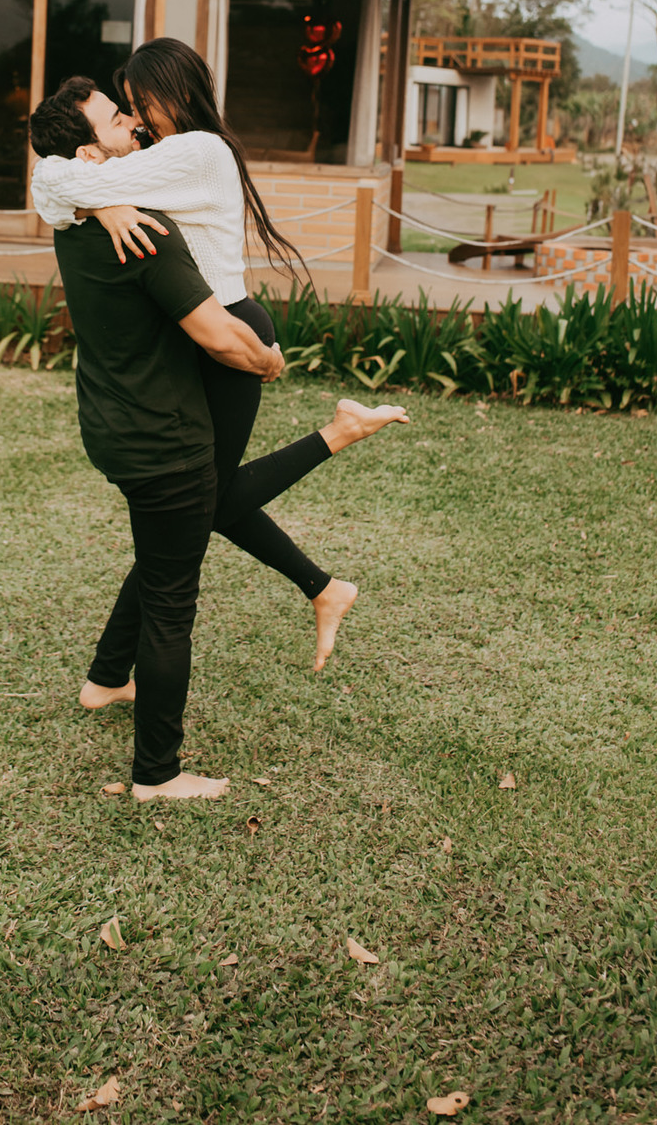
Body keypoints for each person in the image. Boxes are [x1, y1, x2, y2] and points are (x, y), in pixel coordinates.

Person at [29, 77, 408, 802]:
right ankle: (157, 774)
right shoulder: (144, 232)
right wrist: (267, 362)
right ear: (88, 154)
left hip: (111, 427)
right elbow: (219, 336)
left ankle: (106, 679)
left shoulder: (75, 225)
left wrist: (100, 197)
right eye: (117, 118)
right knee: (174, 589)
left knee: (169, 545)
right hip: (163, 436)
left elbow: (54, 181)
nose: (133, 124)